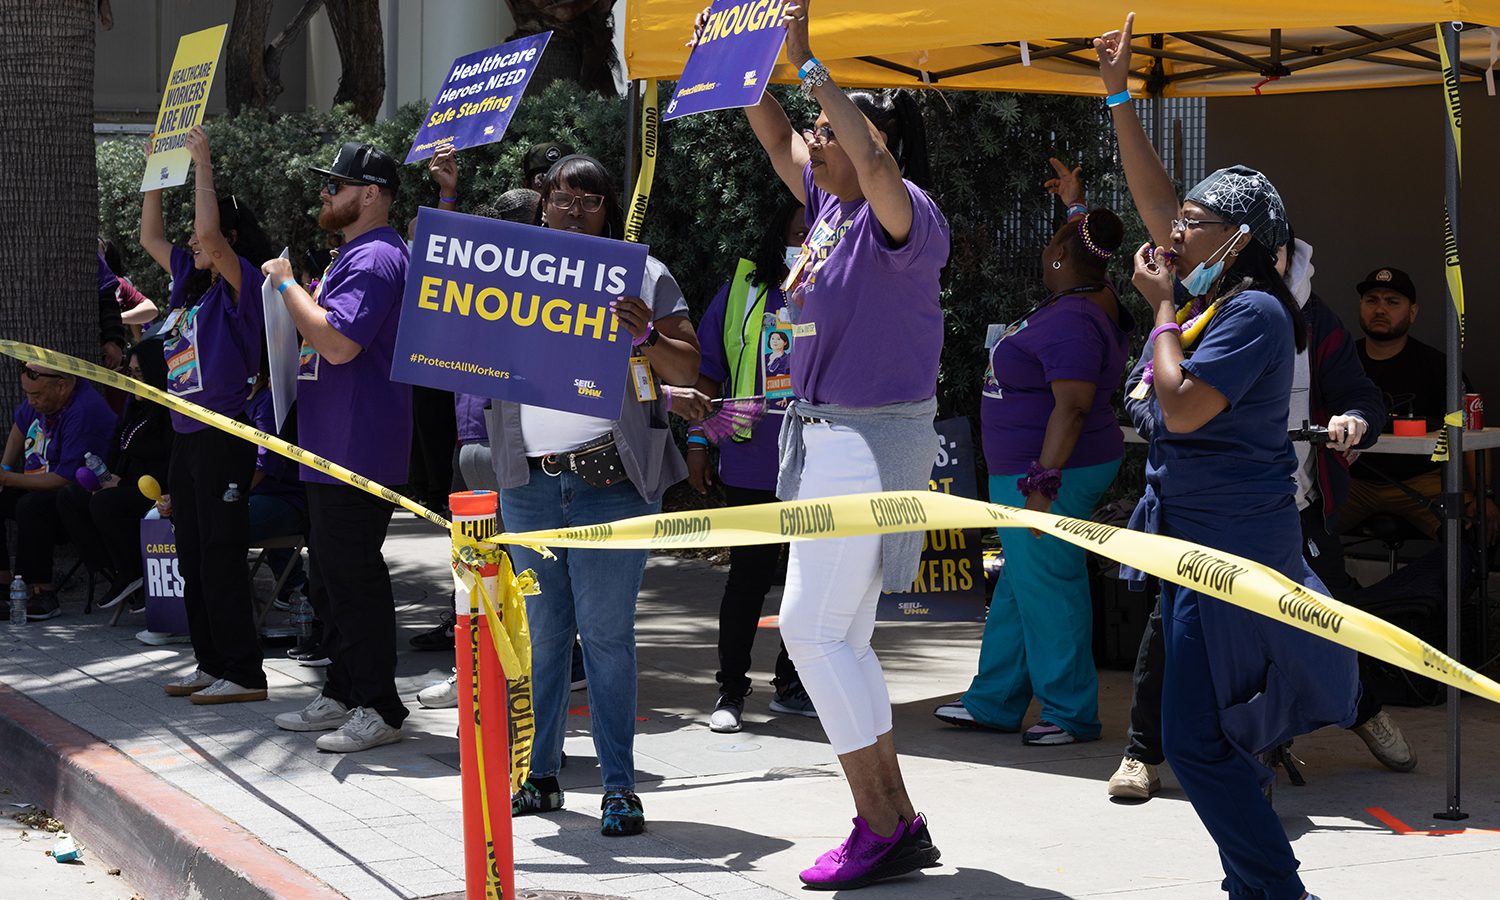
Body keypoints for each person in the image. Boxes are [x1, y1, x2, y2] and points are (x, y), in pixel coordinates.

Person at [1094, 15, 1356, 900]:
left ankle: (1273, 891)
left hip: (1233, 555)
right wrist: (1120, 94)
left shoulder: (1254, 315)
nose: (1170, 236)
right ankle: (1267, 886)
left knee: (1203, 742)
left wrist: (1161, 309)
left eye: (1192, 226)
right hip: (1190, 551)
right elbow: (1157, 199)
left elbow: (1183, 404)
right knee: (1207, 736)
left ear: (1236, 241)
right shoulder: (1220, 295)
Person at [693, 0, 949, 887]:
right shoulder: (827, 206)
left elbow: (868, 157)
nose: (816, 138)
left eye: (834, 127)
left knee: (808, 629)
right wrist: (742, 62)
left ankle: (883, 823)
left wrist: (809, 64)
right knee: (842, 636)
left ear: (879, 142)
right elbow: (774, 138)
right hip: (827, 441)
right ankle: (894, 821)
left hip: (864, 446)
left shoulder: (903, 214)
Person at [1109, 233, 1415, 802]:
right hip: (1214, 516)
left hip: (1293, 502)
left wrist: (1354, 421)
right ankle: (1144, 751)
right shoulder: (1204, 313)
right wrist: (1168, 419)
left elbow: (1362, 396)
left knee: (1323, 619)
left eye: (1276, 254)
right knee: (1175, 629)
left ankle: (1358, 711)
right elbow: (1146, 390)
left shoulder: (1304, 319)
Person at [494, 152, 703, 837]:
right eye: (562, 199)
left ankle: (619, 787)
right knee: (545, 639)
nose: (573, 211)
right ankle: (541, 776)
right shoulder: (513, 269)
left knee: (607, 639)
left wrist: (643, 334)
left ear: (608, 207)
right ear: (542, 201)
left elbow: (688, 364)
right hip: (528, 484)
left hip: (610, 485)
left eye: (589, 201)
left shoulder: (643, 275)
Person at [934, 162, 1134, 746]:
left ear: (1058, 258)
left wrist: (1042, 483)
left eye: (1053, 243)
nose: (1045, 251)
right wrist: (1076, 208)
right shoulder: (1092, 294)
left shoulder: (1075, 317)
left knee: (1049, 584)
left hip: (1049, 473)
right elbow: (1085, 251)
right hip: (1036, 469)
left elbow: (1070, 408)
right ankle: (995, 699)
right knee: (1023, 584)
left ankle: (1071, 713)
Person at [265, 141, 413, 753]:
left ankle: (380, 705)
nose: (325, 195)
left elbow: (339, 345)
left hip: (358, 447)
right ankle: (346, 690)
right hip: (330, 446)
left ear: (371, 194)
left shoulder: (376, 258)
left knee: (353, 579)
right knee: (327, 578)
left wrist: (287, 285)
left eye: (337, 186)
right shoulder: (354, 254)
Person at [139, 125, 272, 705]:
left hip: (224, 437)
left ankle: (244, 674)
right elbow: (150, 236)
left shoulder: (243, 291)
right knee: (191, 553)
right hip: (184, 436)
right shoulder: (186, 290)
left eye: (204, 244)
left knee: (220, 554)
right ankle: (210, 660)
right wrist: (154, 175)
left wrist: (202, 165)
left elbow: (208, 234)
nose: (194, 248)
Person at [688, 198, 817, 734]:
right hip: (751, 457)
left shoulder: (841, 292)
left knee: (811, 580)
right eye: (794, 232)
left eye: (814, 234)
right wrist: (697, 442)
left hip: (819, 457)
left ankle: (794, 681)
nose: (803, 242)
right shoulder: (738, 292)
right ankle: (731, 691)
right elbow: (706, 373)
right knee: (749, 579)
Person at [1338, 266, 1499, 545]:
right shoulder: (1340, 363)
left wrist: (1484, 495)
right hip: (1353, 482)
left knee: (1477, 526)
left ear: (1412, 312)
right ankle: (1344, 589)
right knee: (1300, 521)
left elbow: (1473, 434)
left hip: (1422, 481)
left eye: (1392, 302)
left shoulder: (1439, 367)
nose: (1380, 309)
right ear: (1361, 306)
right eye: (1372, 300)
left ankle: (1424, 590)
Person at [55, 339, 175, 612]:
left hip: (158, 492)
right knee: (70, 497)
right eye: (129, 372)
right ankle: (118, 569)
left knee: (104, 503)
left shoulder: (172, 414)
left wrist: (123, 483)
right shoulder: (134, 407)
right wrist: (104, 478)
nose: (132, 379)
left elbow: (174, 466)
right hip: (123, 486)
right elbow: (116, 447)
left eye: (139, 373)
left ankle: (133, 572)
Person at [0, 364, 117, 620]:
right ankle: (3, 585)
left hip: (77, 500)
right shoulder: (42, 396)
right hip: (37, 484)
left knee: (31, 506)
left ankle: (44, 593)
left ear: (62, 386)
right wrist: (5, 468)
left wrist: (8, 478)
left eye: (36, 395)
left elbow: (65, 479)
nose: (30, 401)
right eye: (26, 394)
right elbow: (21, 424)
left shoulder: (83, 410)